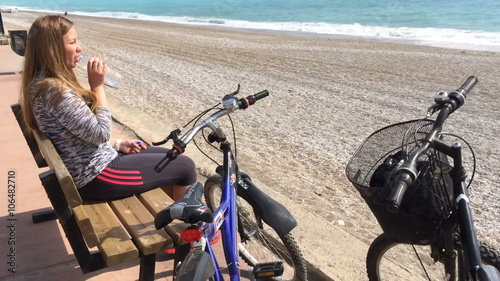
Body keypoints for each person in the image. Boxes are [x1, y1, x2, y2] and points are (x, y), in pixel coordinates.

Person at [20, 15, 197, 201]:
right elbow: (100, 133)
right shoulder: (55, 91)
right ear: (52, 49)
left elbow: (76, 135)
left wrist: (118, 144)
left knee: (171, 156)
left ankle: (177, 218)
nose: (79, 47)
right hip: (97, 176)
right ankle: (193, 227)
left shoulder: (42, 84)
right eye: (73, 42)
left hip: (93, 163)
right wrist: (97, 86)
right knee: (185, 166)